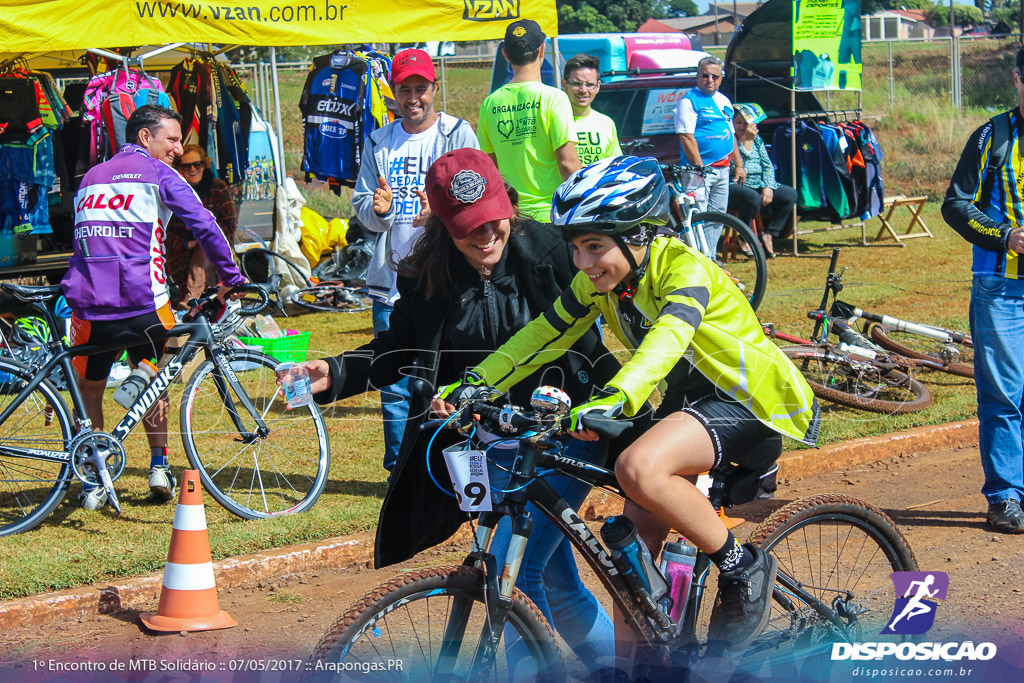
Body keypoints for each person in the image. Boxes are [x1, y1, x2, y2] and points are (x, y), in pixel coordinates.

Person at [438, 156, 820, 660]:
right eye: (575, 247)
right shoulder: (601, 284)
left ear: (638, 235)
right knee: (631, 562)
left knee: (636, 465)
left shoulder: (685, 269)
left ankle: (741, 565)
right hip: (688, 405)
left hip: (750, 402)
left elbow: (667, 338)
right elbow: (541, 336)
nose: (582, 262)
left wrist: (617, 398)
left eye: (595, 246)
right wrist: (477, 382)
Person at [305, 148, 620, 671]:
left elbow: (602, 337)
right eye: (467, 226)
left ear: (509, 204)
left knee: (517, 573)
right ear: (443, 224)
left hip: (564, 431)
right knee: (554, 578)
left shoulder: (554, 253)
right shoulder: (428, 275)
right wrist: (337, 372)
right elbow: (398, 348)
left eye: (492, 219)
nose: (485, 235)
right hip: (488, 443)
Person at [61, 104, 246, 510]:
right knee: (156, 379)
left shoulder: (91, 176)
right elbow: (205, 222)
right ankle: (159, 467)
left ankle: (94, 473)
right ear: (146, 137)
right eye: (173, 139)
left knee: (91, 387)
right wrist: (232, 277)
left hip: (90, 304)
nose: (179, 149)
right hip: (144, 302)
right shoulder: (160, 174)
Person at [352, 48, 480, 473]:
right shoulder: (378, 141)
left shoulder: (457, 133)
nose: (413, 98)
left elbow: (477, 195)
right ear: (393, 91)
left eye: (420, 89)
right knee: (393, 375)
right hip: (391, 280)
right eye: (404, 89)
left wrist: (439, 216)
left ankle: (447, 463)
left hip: (445, 276)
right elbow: (362, 206)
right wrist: (381, 211)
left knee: (447, 374)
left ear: (434, 89)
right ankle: (399, 466)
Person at [941, 46, 1024, 534]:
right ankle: (1005, 496)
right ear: (1017, 78)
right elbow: (956, 204)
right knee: (1004, 394)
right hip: (1001, 287)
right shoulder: (992, 136)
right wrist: (1006, 236)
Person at [477, 18, 580, 220]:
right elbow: (568, 165)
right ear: (542, 49)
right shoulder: (554, 98)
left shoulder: (490, 104)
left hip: (511, 216)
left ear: (505, 54)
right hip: (550, 216)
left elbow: (490, 169)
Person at [674, 56, 744, 259]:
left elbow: (731, 135)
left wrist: (738, 165)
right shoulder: (688, 101)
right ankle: (697, 259)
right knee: (699, 217)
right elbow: (686, 137)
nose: (710, 80)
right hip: (698, 172)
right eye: (705, 76)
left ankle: (710, 259)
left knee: (718, 218)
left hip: (723, 170)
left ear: (721, 78)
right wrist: (699, 167)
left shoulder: (724, 100)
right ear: (698, 77)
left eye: (715, 76)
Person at [167, 144, 238, 305]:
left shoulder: (218, 188)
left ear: (204, 165)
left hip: (215, 247)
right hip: (182, 252)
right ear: (179, 168)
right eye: (187, 165)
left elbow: (229, 225)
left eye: (197, 164)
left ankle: (193, 297)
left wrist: (202, 239)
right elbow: (168, 232)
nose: (193, 169)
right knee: (205, 243)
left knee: (208, 241)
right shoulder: (173, 192)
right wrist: (188, 243)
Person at [732, 103, 797, 258]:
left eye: (745, 123)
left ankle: (770, 234)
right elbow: (738, 168)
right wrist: (746, 142)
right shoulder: (730, 140)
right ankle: (743, 236)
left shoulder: (758, 140)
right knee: (751, 198)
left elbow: (767, 165)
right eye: (738, 122)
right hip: (741, 185)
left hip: (760, 182)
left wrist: (768, 186)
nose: (742, 126)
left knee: (790, 195)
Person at [562, 53, 621, 164]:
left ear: (598, 87)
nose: (583, 90)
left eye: (589, 84)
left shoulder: (606, 123)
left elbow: (614, 166)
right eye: (577, 83)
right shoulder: (553, 121)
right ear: (564, 84)